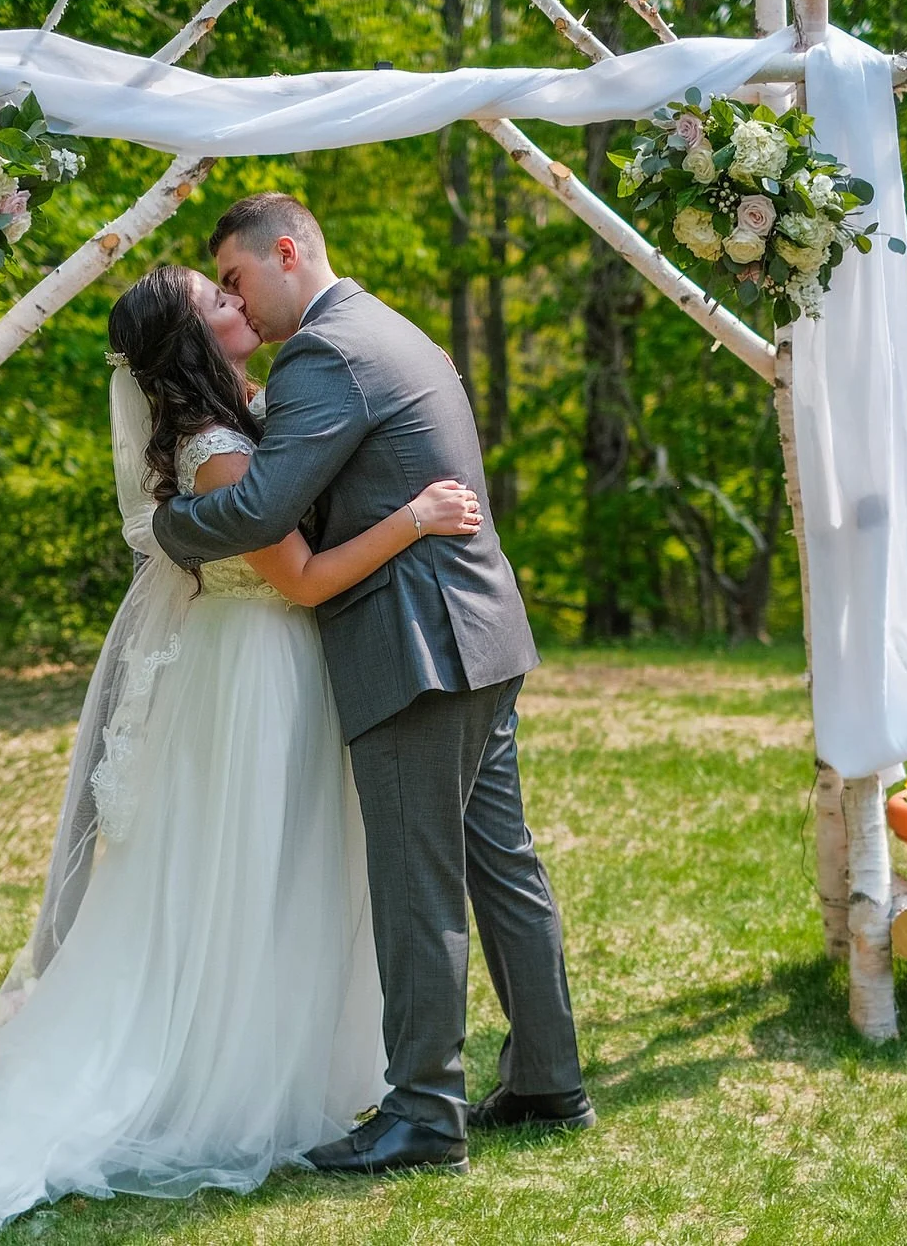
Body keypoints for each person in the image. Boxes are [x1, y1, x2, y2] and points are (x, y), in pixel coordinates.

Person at [0, 262, 485, 1245]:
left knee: (281, 873)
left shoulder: (246, 414)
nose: (238, 306)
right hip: (254, 676)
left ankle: (311, 1063)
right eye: (218, 301)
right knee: (249, 873)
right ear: (193, 338)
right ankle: (233, 1072)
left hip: (269, 672)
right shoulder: (215, 451)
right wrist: (415, 520)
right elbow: (299, 579)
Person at [155, 193, 591, 1179]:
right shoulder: (389, 327)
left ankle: (425, 1114)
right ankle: (547, 1076)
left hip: (415, 648)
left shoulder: (323, 353)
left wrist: (167, 529)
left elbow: (262, 503)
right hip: (478, 633)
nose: (233, 299)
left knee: (415, 882)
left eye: (233, 278)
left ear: (286, 250)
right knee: (499, 862)